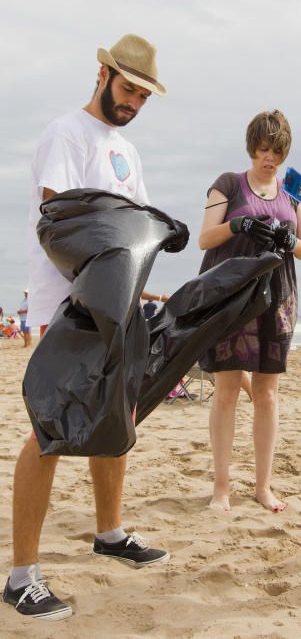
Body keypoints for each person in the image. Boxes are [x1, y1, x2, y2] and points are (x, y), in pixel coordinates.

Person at [3, 34, 175, 621]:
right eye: (128, 89)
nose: (133, 103)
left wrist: (139, 286)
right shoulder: (66, 134)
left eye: (144, 96)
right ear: (102, 73)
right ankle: (21, 574)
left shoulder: (126, 149)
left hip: (117, 304)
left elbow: (131, 232)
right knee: (49, 432)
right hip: (69, 306)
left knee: (117, 415)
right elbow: (60, 221)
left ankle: (109, 532)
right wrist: (96, 289)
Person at [198, 110, 301, 513]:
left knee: (266, 395)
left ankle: (263, 487)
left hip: (278, 296)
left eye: (277, 151)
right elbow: (205, 238)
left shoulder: (294, 192)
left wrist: (288, 237)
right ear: (252, 148)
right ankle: (222, 488)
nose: (270, 159)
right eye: (264, 150)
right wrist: (239, 225)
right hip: (233, 294)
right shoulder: (229, 184)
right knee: (227, 392)